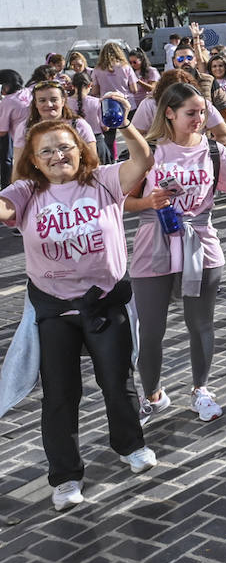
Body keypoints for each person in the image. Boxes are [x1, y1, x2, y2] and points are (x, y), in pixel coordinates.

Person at [0, 103, 159, 511]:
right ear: (33, 161)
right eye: (46, 151)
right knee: (59, 395)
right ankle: (66, 477)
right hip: (54, 311)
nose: (58, 156)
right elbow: (3, 208)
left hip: (104, 304)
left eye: (65, 147)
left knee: (116, 382)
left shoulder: (103, 180)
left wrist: (122, 124)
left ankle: (130, 445)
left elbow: (141, 160)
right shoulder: (26, 192)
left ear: (80, 149)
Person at [126, 82, 226, 425]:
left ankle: (201, 389)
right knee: (150, 330)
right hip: (153, 246)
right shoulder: (149, 151)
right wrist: (147, 202)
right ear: (168, 113)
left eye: (202, 112)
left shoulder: (215, 153)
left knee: (200, 325)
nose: (199, 119)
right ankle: (152, 395)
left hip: (202, 246)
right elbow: (120, 199)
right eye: (191, 113)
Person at [11, 80, 98, 181]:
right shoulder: (25, 128)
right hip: (39, 186)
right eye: (42, 100)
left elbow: (92, 162)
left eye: (54, 99)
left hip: (75, 184)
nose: (49, 104)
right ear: (35, 104)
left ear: (63, 101)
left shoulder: (79, 125)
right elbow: (18, 165)